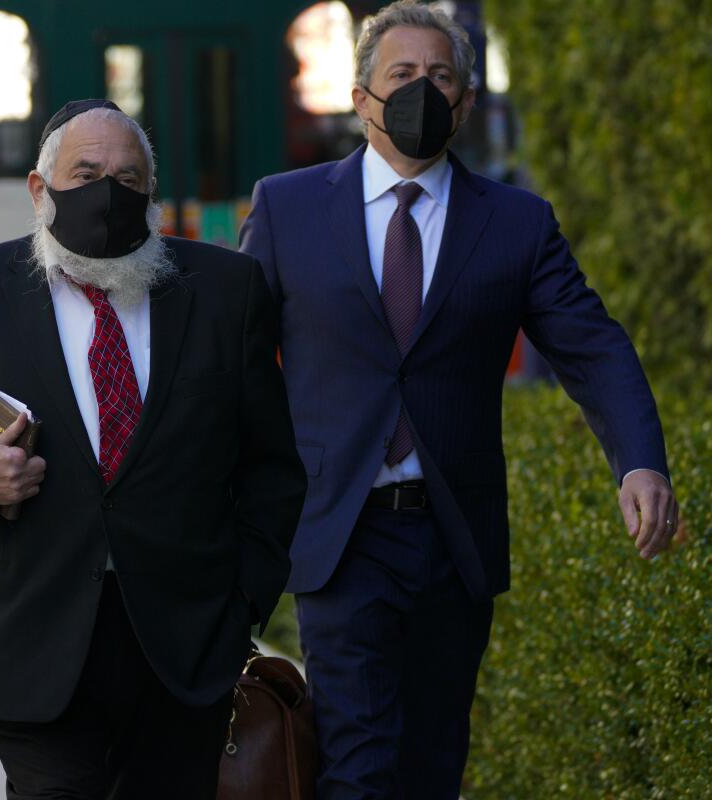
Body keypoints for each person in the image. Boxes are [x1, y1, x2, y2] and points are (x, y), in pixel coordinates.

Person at [238, 3, 678, 798]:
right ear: (360, 95)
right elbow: (231, 362)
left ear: (467, 104)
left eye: (442, 77)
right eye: (402, 75)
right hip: (341, 534)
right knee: (359, 763)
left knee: (433, 765)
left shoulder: (516, 223)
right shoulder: (286, 208)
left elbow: (593, 345)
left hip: (454, 539)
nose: (424, 91)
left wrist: (639, 461)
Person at [0, 99, 306, 799]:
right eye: (87, 173)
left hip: (183, 646)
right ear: (39, 190)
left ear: (151, 195)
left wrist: (242, 603)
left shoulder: (225, 292)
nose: (110, 192)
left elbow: (272, 468)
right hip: (32, 642)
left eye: (129, 178)